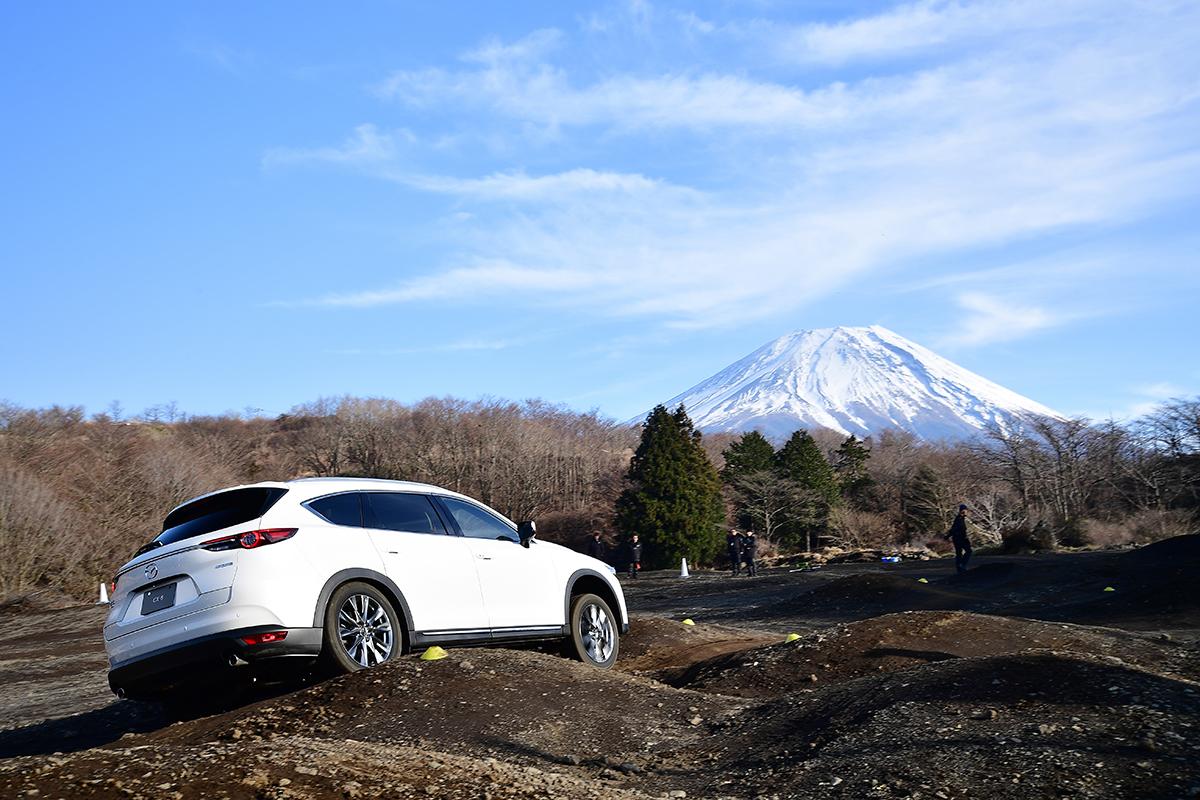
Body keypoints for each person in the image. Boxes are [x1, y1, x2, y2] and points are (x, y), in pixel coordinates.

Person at [945, 504, 972, 573]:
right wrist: (948, 536)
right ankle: (962, 565)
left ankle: (960, 568)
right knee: (968, 551)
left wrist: (948, 536)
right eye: (965, 510)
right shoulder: (959, 519)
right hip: (960, 538)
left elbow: (953, 529)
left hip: (957, 538)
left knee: (959, 553)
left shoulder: (959, 519)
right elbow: (955, 529)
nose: (966, 512)